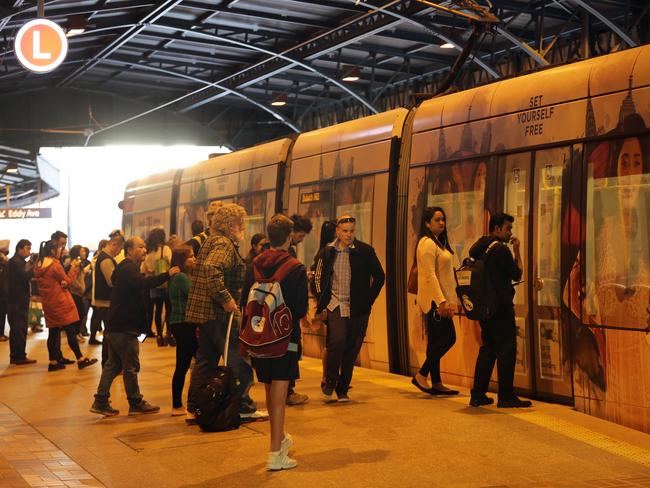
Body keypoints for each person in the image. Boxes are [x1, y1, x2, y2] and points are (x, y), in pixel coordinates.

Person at [185, 203, 266, 421]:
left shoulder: (211, 241)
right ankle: (243, 406)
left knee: (205, 360)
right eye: (241, 225)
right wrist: (226, 300)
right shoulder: (224, 244)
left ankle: (198, 406)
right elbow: (212, 270)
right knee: (238, 359)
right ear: (231, 226)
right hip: (219, 315)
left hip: (204, 313)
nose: (243, 230)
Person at [242, 214, 308, 470]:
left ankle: (279, 438)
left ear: (269, 237)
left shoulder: (255, 264)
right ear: (290, 236)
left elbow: (244, 302)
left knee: (269, 390)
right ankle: (274, 454)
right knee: (280, 398)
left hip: (259, 338)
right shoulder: (296, 267)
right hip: (285, 339)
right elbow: (300, 308)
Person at [90, 237, 180, 416]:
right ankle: (135, 402)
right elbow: (144, 284)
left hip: (116, 325)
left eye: (145, 246)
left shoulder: (123, 268)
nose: (144, 250)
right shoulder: (129, 268)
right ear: (129, 250)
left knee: (113, 365)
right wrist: (167, 274)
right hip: (125, 326)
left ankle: (100, 401)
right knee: (130, 366)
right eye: (140, 247)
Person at [313, 215, 385, 402]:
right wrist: (322, 304)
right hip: (335, 304)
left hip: (358, 307)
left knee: (352, 347)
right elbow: (317, 278)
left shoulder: (365, 251)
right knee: (337, 342)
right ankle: (330, 380)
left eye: (352, 231)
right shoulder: (327, 252)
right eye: (345, 231)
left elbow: (380, 276)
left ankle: (343, 388)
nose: (349, 234)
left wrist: (368, 299)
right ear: (337, 231)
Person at [468, 212, 532, 408]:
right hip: (501, 309)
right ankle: (506, 396)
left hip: (485, 309)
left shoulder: (481, 247)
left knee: (487, 350)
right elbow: (517, 273)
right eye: (508, 228)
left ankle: (477, 395)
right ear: (496, 228)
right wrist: (517, 251)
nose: (510, 232)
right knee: (507, 351)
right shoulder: (502, 250)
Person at [411, 207, 459, 396]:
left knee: (436, 341)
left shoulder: (438, 242)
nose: (441, 223)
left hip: (440, 300)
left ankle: (436, 382)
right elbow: (429, 275)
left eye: (443, 219)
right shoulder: (427, 243)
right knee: (449, 338)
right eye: (437, 219)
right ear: (426, 223)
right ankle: (422, 374)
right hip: (434, 302)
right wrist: (441, 302)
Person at [34, 240, 98, 372]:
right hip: (61, 302)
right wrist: (74, 268)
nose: (61, 251)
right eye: (59, 248)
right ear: (53, 250)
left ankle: (53, 362)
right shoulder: (55, 265)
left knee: (53, 333)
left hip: (48, 303)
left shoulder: (39, 264)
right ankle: (80, 359)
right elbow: (67, 282)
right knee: (71, 331)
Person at [284, 214, 313, 406]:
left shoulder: (274, 253)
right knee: (291, 350)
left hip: (283, 316)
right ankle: (289, 390)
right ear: (292, 232)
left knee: (289, 351)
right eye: (301, 236)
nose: (301, 240)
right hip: (289, 318)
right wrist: (303, 313)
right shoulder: (289, 256)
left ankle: (286, 389)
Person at [168, 245, 197, 416]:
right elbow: (193, 294)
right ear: (181, 261)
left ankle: (179, 404)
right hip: (184, 324)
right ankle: (179, 405)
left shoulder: (182, 276)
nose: (194, 259)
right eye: (190, 257)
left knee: (184, 363)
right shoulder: (181, 278)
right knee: (187, 364)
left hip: (181, 324)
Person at [90, 232, 125, 368]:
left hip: (104, 301)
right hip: (106, 302)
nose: (119, 252)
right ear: (114, 244)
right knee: (111, 334)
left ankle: (109, 362)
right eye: (120, 249)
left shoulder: (104, 257)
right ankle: (108, 362)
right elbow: (112, 281)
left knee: (109, 333)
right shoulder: (106, 259)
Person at [7, 239, 37, 365]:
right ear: (19, 248)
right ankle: (18, 356)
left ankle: (18, 355)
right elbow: (24, 277)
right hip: (17, 302)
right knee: (19, 329)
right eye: (27, 248)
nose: (29, 251)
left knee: (18, 329)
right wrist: (34, 266)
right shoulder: (15, 262)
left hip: (17, 301)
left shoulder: (18, 262)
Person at [142, 228, 173, 347]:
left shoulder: (148, 252)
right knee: (169, 310)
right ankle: (168, 333)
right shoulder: (165, 250)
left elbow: (144, 269)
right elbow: (170, 264)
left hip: (154, 284)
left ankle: (159, 335)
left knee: (158, 310)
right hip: (165, 283)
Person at [66, 245, 90, 343]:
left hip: (79, 293)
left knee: (81, 313)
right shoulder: (74, 263)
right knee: (79, 313)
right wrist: (80, 287)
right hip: (74, 293)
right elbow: (73, 279)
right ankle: (75, 334)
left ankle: (77, 333)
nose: (84, 253)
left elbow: (81, 275)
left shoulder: (79, 263)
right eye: (82, 251)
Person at [0, 245, 8, 342]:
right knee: (1, 314)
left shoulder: (5, 261)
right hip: (2, 293)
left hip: (3, 292)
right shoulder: (3, 263)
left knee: (2, 314)